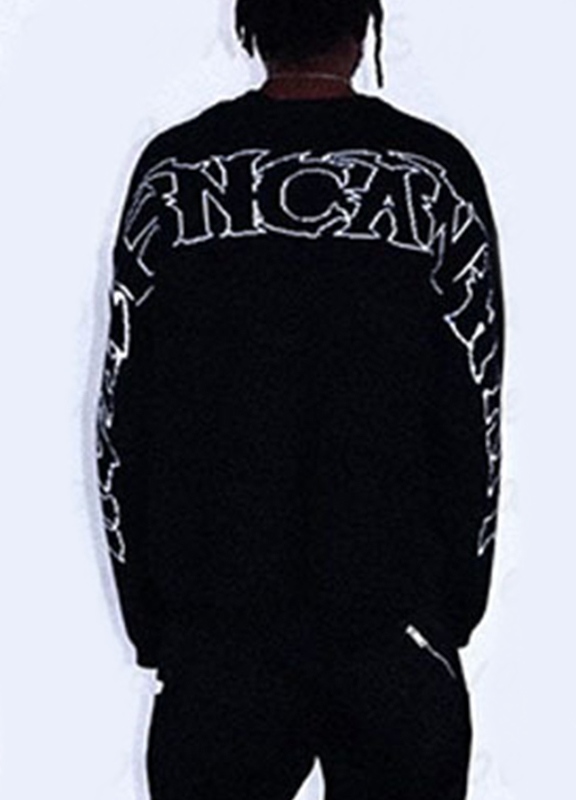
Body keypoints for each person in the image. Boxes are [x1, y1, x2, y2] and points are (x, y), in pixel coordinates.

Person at [94, 1, 506, 798]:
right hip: (392, 627)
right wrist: (447, 609)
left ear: (252, 27)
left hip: (220, 633)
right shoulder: (433, 175)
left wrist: (156, 616)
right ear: (364, 28)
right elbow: (472, 404)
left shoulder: (175, 176)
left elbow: (125, 412)